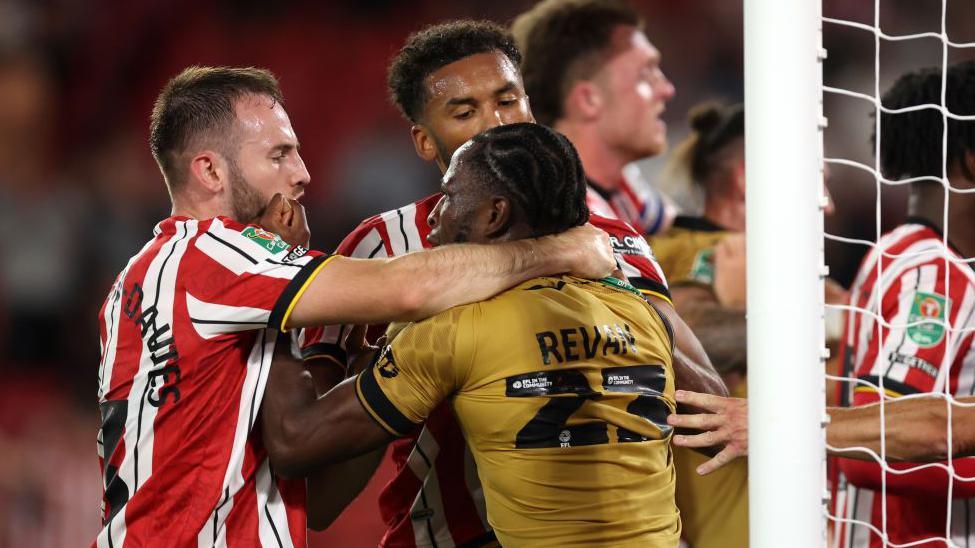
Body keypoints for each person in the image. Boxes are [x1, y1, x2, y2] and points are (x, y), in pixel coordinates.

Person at [93, 65, 614, 547]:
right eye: (278, 155)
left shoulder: (144, 279)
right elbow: (405, 288)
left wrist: (369, 364)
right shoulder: (212, 254)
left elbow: (314, 495)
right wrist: (558, 250)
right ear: (210, 172)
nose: (302, 174)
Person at [286, 20, 724, 547]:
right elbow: (322, 498)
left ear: (531, 106)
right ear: (424, 140)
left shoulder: (614, 240)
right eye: (464, 112)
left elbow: (706, 418)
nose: (494, 124)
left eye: (507, 100)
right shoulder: (379, 247)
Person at [667, 60, 975, 547]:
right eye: (817, 179)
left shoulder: (900, 259)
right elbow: (878, 451)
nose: (827, 204)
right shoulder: (931, 272)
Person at [512, 0, 678, 236]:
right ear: (588, 100)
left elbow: (682, 228)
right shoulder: (559, 219)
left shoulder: (623, 186)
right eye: (646, 75)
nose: (667, 89)